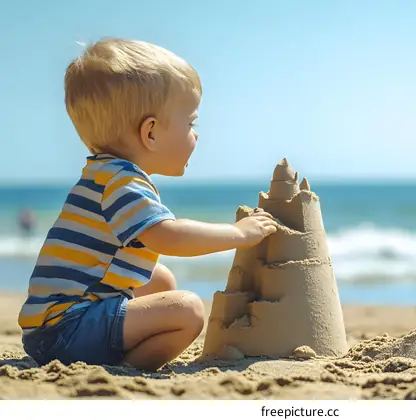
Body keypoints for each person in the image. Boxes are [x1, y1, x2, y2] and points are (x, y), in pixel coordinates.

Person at [18, 38, 278, 371]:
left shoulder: (103, 174)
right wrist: (238, 234)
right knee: (188, 310)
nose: (196, 135)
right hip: (68, 331)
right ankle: (127, 369)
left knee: (160, 281)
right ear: (151, 133)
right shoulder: (123, 183)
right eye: (190, 123)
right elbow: (169, 237)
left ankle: (115, 352)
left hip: (50, 327)